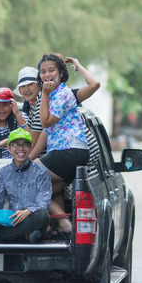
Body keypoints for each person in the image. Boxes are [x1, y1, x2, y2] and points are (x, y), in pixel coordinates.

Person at [35, 53, 90, 234]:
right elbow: (46, 131)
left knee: (24, 173)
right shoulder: (53, 95)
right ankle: (61, 225)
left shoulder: (62, 94)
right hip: (70, 151)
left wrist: (44, 94)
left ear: (61, 73)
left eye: (51, 70)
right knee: (45, 190)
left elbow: (45, 122)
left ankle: (63, 222)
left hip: (69, 151)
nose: (47, 74)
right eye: (43, 71)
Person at [0, 128, 51, 243]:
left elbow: (44, 203)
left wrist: (28, 211)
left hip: (31, 219)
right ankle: (23, 236)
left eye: (25, 145)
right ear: (9, 149)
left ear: (30, 148)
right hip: (9, 221)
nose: (21, 149)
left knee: (42, 215)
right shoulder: (4, 172)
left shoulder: (42, 172)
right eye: (16, 144)